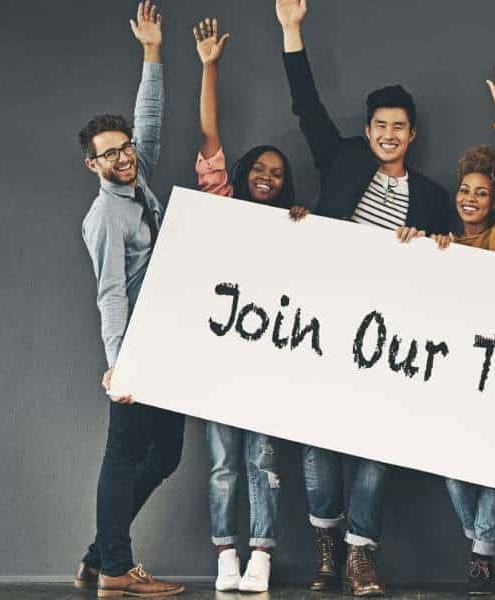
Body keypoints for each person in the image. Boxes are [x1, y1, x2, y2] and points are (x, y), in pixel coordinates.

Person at [275, 0, 451, 595]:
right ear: (369, 129)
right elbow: (307, 107)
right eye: (380, 126)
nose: (388, 135)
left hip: (389, 335)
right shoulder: (343, 157)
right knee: (318, 438)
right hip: (325, 319)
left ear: (411, 135)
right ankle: (327, 544)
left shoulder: (429, 194)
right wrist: (292, 30)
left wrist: (432, 241)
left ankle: (359, 554)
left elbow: (455, 257)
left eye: (399, 127)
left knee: (380, 441)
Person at [191, 16, 309, 592]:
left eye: (277, 174)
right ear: (244, 175)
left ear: (286, 186)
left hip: (268, 359)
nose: (267, 177)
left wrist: (305, 230)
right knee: (222, 464)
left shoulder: (293, 227)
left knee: (264, 461)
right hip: (218, 357)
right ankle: (225, 557)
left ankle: (261, 554)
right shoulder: (224, 204)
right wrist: (210, 67)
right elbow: (209, 136)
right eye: (260, 169)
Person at [74, 2, 183, 597]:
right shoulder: (107, 218)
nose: (123, 156)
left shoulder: (137, 179)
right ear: (91, 164)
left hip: (165, 338)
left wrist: (152, 53)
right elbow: (110, 293)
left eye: (125, 148)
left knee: (164, 455)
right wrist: (119, 363)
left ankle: (98, 552)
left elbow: (151, 123)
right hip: (137, 346)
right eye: (109, 153)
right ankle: (116, 567)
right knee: (124, 455)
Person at [434, 62, 495, 595]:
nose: (471, 197)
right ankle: (478, 538)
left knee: (494, 464)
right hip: (452, 374)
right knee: (450, 465)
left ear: (492, 203)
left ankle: (481, 555)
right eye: (465, 190)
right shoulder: (442, 246)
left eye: (481, 192)